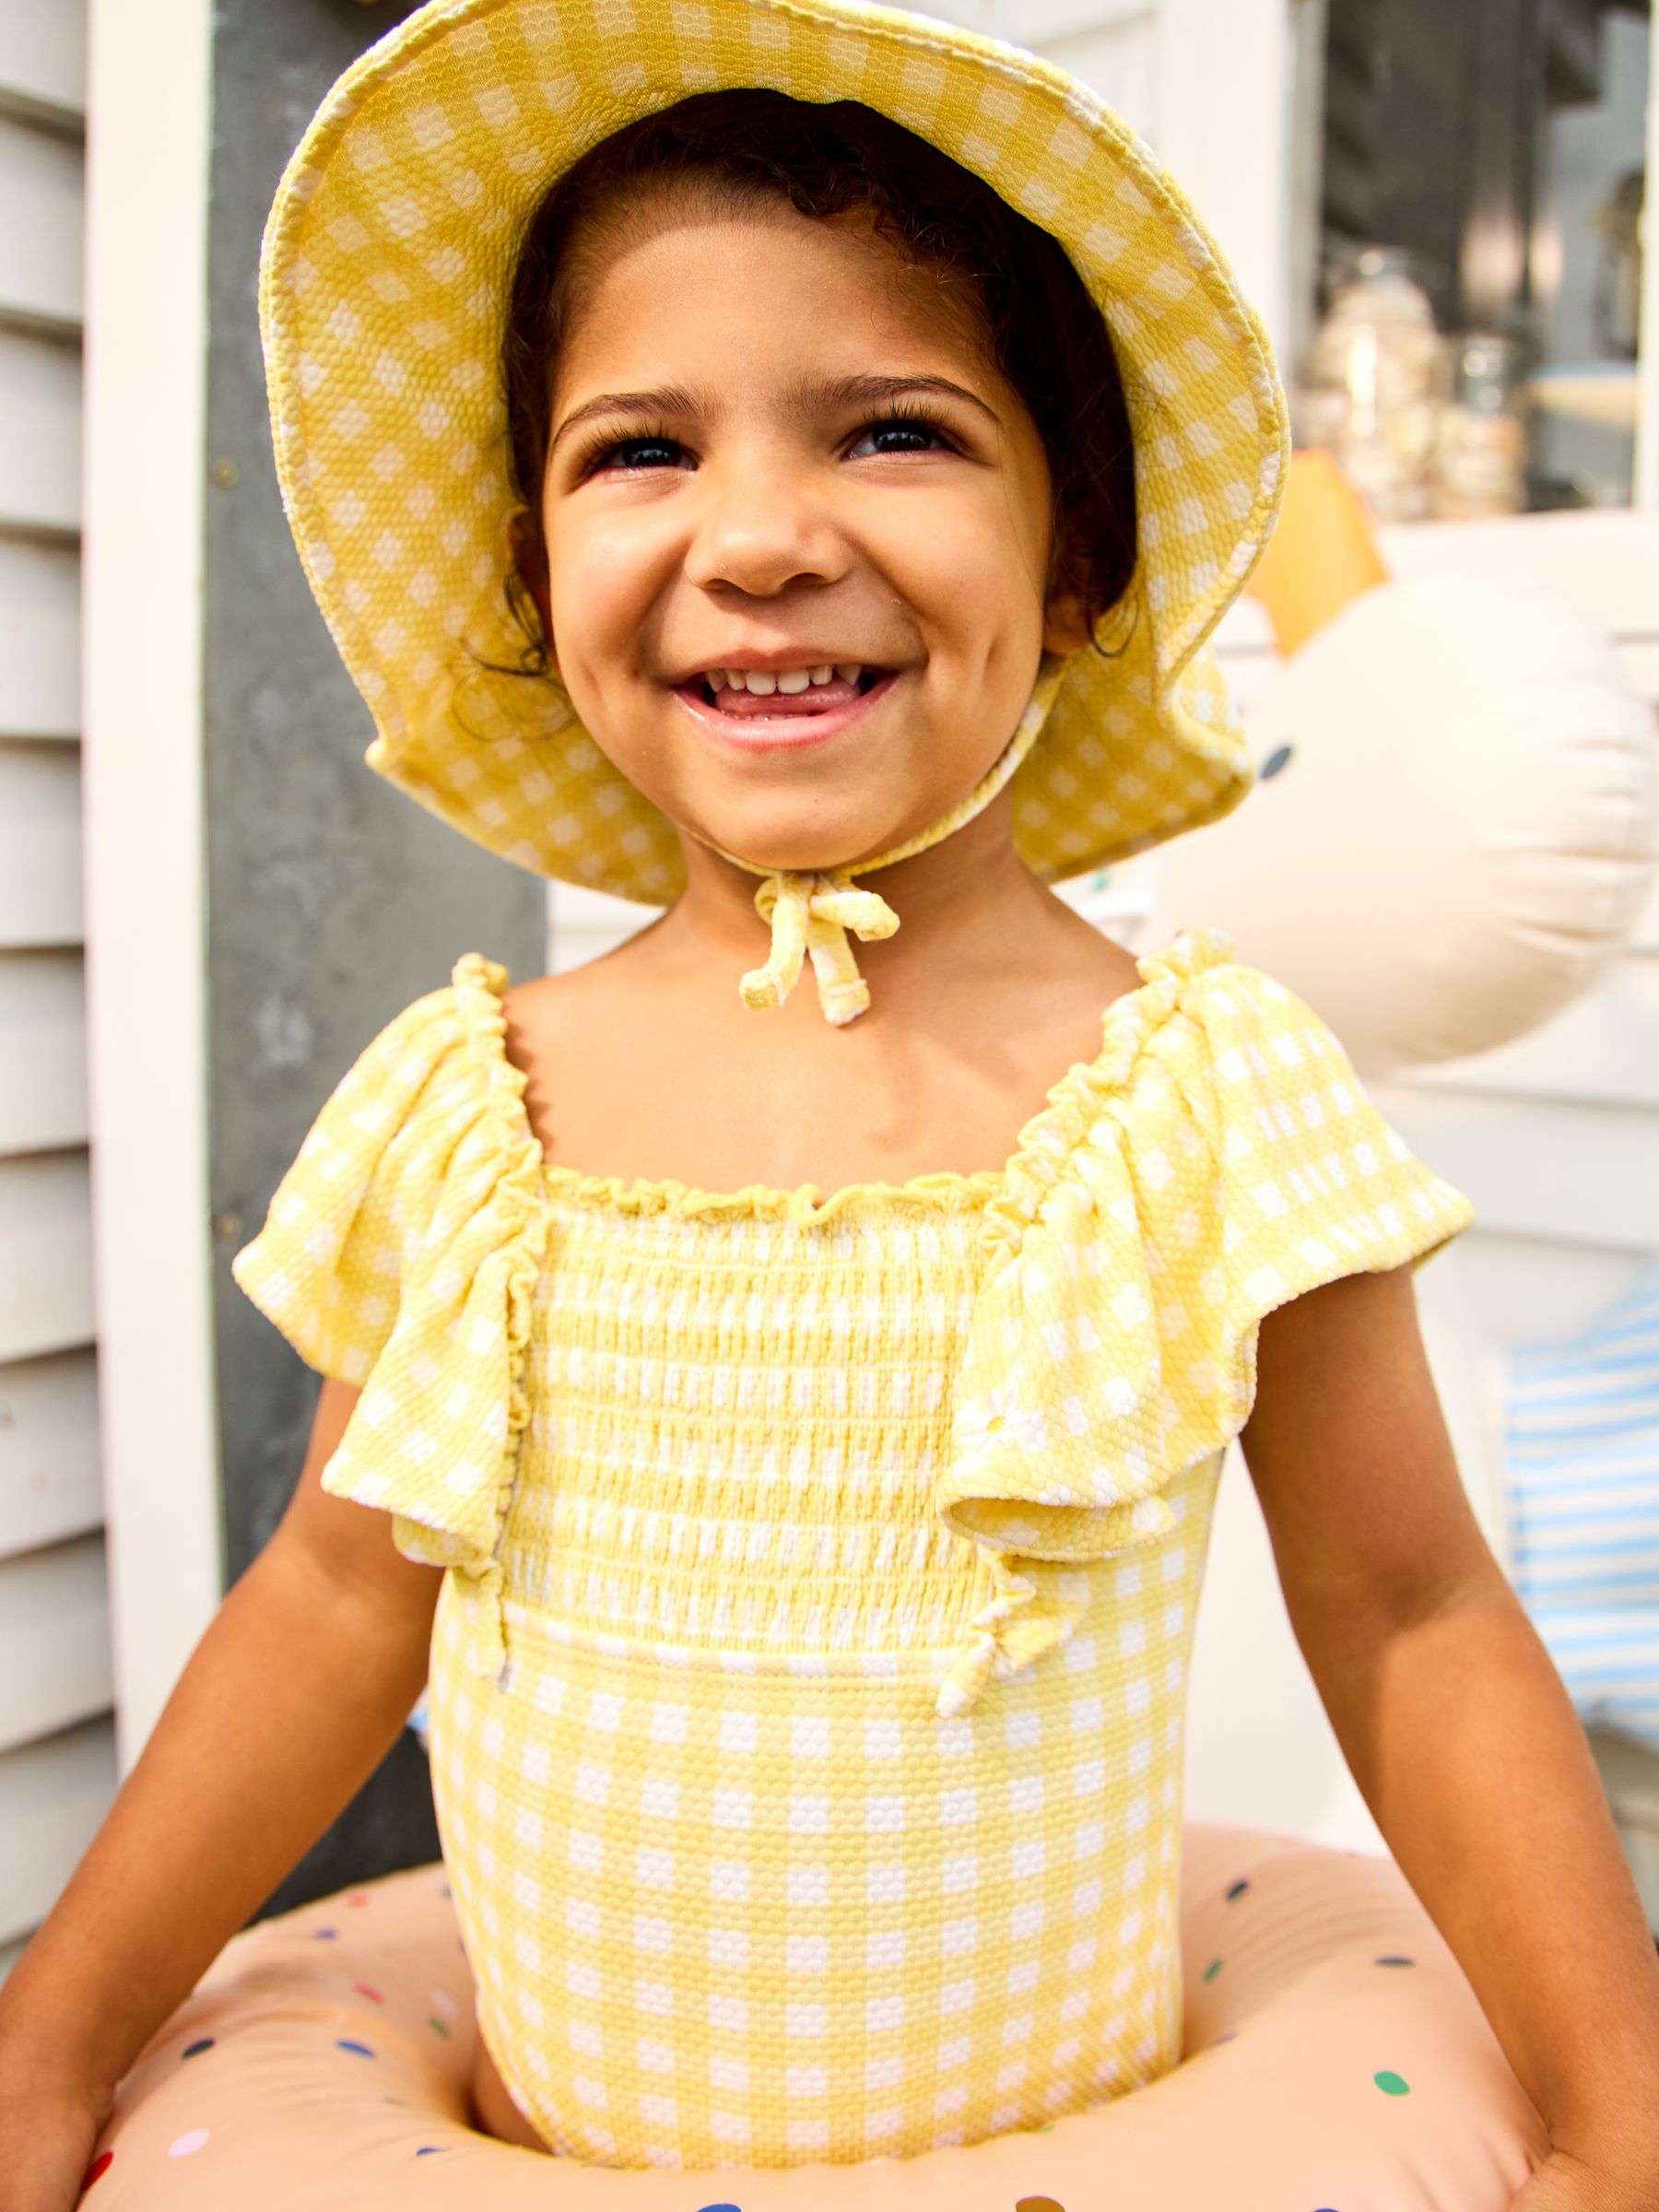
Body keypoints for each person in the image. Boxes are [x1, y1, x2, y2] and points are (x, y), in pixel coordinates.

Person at [5, 5, 1658, 2205]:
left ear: (1078, 569)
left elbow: (1416, 1614)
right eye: (639, 452)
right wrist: (49, 2039)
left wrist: (1621, 2109)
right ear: (531, 577)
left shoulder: (1196, 1091)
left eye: (892, 430)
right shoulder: (479, 1103)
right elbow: (326, 1600)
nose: (761, 536)